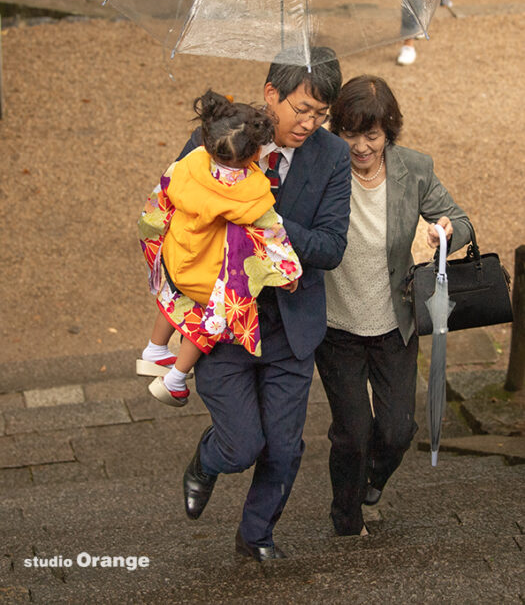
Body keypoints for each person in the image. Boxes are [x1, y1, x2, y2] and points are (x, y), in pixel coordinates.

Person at [180, 47, 351, 561]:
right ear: (270, 93)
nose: (309, 124)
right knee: (241, 445)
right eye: (301, 109)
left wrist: (267, 217)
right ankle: (207, 461)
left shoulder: (333, 155)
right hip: (226, 325)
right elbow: (174, 215)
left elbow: (330, 247)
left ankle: (256, 533)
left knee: (283, 446)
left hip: (291, 328)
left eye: (321, 114)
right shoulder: (219, 137)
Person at [315, 75, 471, 536]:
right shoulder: (320, 167)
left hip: (394, 323)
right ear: (336, 129)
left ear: (389, 132)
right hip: (335, 324)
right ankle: (346, 518)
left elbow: (460, 221)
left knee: (398, 429)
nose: (361, 146)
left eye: (372, 135)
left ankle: (369, 483)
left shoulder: (414, 170)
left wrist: (444, 231)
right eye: (349, 134)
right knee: (352, 431)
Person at [137, 90, 302, 407]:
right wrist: (287, 272)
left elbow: (160, 200)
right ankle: (174, 379)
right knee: (208, 318)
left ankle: (154, 347)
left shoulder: (190, 164)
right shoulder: (249, 190)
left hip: (181, 251)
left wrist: (155, 234)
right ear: (253, 153)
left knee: (173, 294)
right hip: (212, 268)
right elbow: (272, 232)